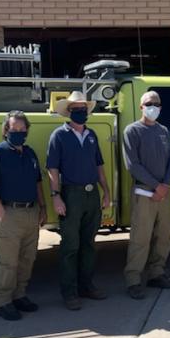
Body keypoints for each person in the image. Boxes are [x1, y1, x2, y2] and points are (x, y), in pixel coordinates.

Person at [47, 91, 111, 311]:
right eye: (76, 109)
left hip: (92, 194)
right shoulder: (59, 135)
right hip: (71, 195)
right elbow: (52, 169)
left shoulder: (92, 135)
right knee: (70, 245)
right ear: (69, 111)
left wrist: (107, 192)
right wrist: (56, 197)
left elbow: (99, 166)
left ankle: (86, 286)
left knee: (89, 244)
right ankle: (69, 292)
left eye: (84, 108)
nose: (81, 112)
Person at [0, 111, 46, 321]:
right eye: (14, 129)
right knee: (7, 262)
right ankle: (3, 301)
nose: (19, 133)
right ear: (6, 130)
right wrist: (1, 214)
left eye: (22, 129)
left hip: (31, 212)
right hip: (9, 214)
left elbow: (38, 182)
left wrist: (43, 207)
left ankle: (19, 295)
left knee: (27, 259)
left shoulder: (30, 154)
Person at [122, 91, 170, 300]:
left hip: (163, 193)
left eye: (156, 104)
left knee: (163, 237)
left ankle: (157, 274)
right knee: (140, 239)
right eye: (149, 103)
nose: (153, 106)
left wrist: (165, 185)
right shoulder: (132, 131)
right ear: (141, 106)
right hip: (144, 192)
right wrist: (156, 186)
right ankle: (133, 280)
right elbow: (132, 165)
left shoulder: (163, 131)